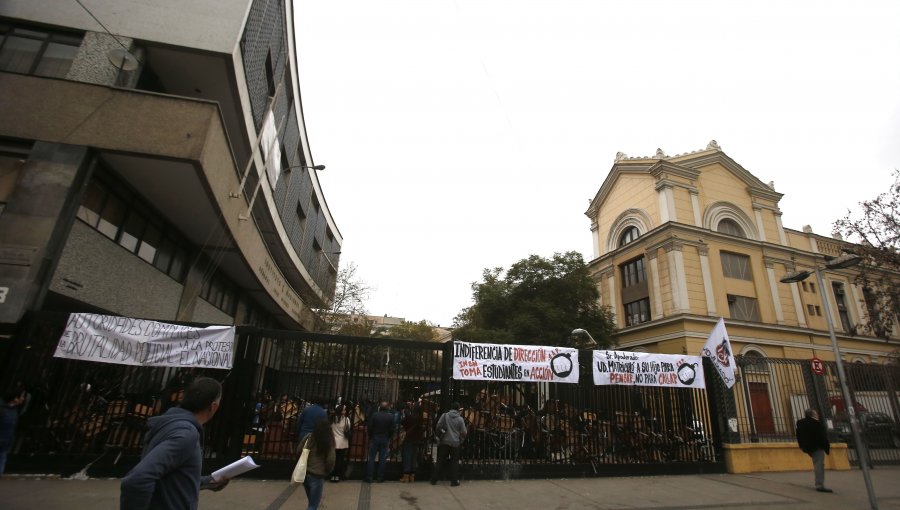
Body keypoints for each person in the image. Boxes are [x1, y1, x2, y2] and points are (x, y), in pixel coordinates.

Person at [120, 377, 229, 509]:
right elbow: (136, 480)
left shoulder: (170, 424)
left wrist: (207, 481)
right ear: (213, 407)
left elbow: (171, 476)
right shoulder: (186, 434)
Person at [300, 418, 336, 510]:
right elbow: (331, 459)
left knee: (311, 501)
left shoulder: (309, 437)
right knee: (313, 505)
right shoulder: (328, 441)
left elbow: (299, 450)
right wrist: (328, 470)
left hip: (305, 473)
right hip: (317, 474)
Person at [430, 402, 467, 487]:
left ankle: (434, 479)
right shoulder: (460, 419)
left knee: (440, 461)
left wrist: (442, 433)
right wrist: (461, 440)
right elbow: (464, 432)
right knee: (454, 462)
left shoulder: (445, 415)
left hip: (445, 441)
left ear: (451, 408)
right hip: (455, 443)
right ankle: (454, 481)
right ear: (458, 409)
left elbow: (438, 426)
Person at [796, 408, 832, 493]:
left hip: (807, 448)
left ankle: (819, 484)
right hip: (817, 447)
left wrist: (801, 446)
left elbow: (798, 435)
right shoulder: (816, 424)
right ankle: (819, 485)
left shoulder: (800, 423)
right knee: (819, 465)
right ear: (813, 415)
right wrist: (827, 448)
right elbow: (822, 437)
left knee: (817, 464)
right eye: (816, 414)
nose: (817, 415)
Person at [365, 401, 394, 483]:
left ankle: (369, 477)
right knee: (382, 459)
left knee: (371, 458)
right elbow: (392, 429)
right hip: (385, 438)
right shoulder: (390, 417)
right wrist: (389, 437)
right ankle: (380, 477)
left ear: (380, 407)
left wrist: (371, 436)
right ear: (387, 408)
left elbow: (370, 427)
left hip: (375, 437)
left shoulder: (375, 415)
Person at [0, 389, 25, 476]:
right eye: (21, 397)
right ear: (15, 399)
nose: (23, 399)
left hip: (5, 441)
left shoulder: (15, 410)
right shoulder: (4, 410)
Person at [400, 404, 425, 482]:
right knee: (414, 456)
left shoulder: (411, 417)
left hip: (409, 438)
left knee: (408, 455)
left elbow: (403, 423)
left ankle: (406, 475)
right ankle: (412, 475)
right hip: (417, 439)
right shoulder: (421, 418)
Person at [329, 404, 351, 482]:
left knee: (333, 459)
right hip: (342, 441)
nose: (345, 411)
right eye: (344, 410)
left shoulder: (332, 419)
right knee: (339, 459)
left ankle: (332, 475)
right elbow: (348, 429)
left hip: (333, 441)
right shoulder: (346, 419)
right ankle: (337, 475)